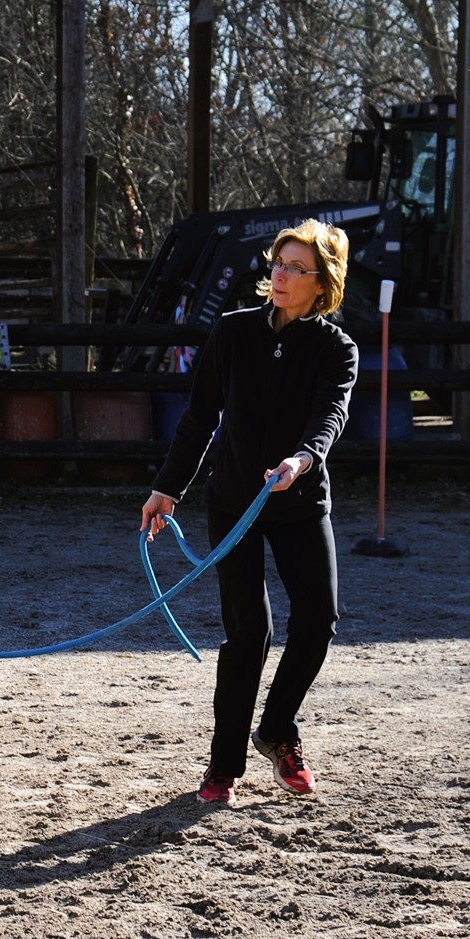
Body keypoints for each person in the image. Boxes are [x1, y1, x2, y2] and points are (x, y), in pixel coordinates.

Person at [139, 218, 358, 805]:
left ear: (322, 283)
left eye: (295, 268)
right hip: (234, 498)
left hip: (299, 499)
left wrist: (301, 460)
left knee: (319, 620)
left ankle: (278, 729)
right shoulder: (233, 332)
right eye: (277, 264)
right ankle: (222, 764)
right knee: (248, 632)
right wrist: (168, 488)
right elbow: (199, 416)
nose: (279, 275)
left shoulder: (337, 349)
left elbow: (329, 417)